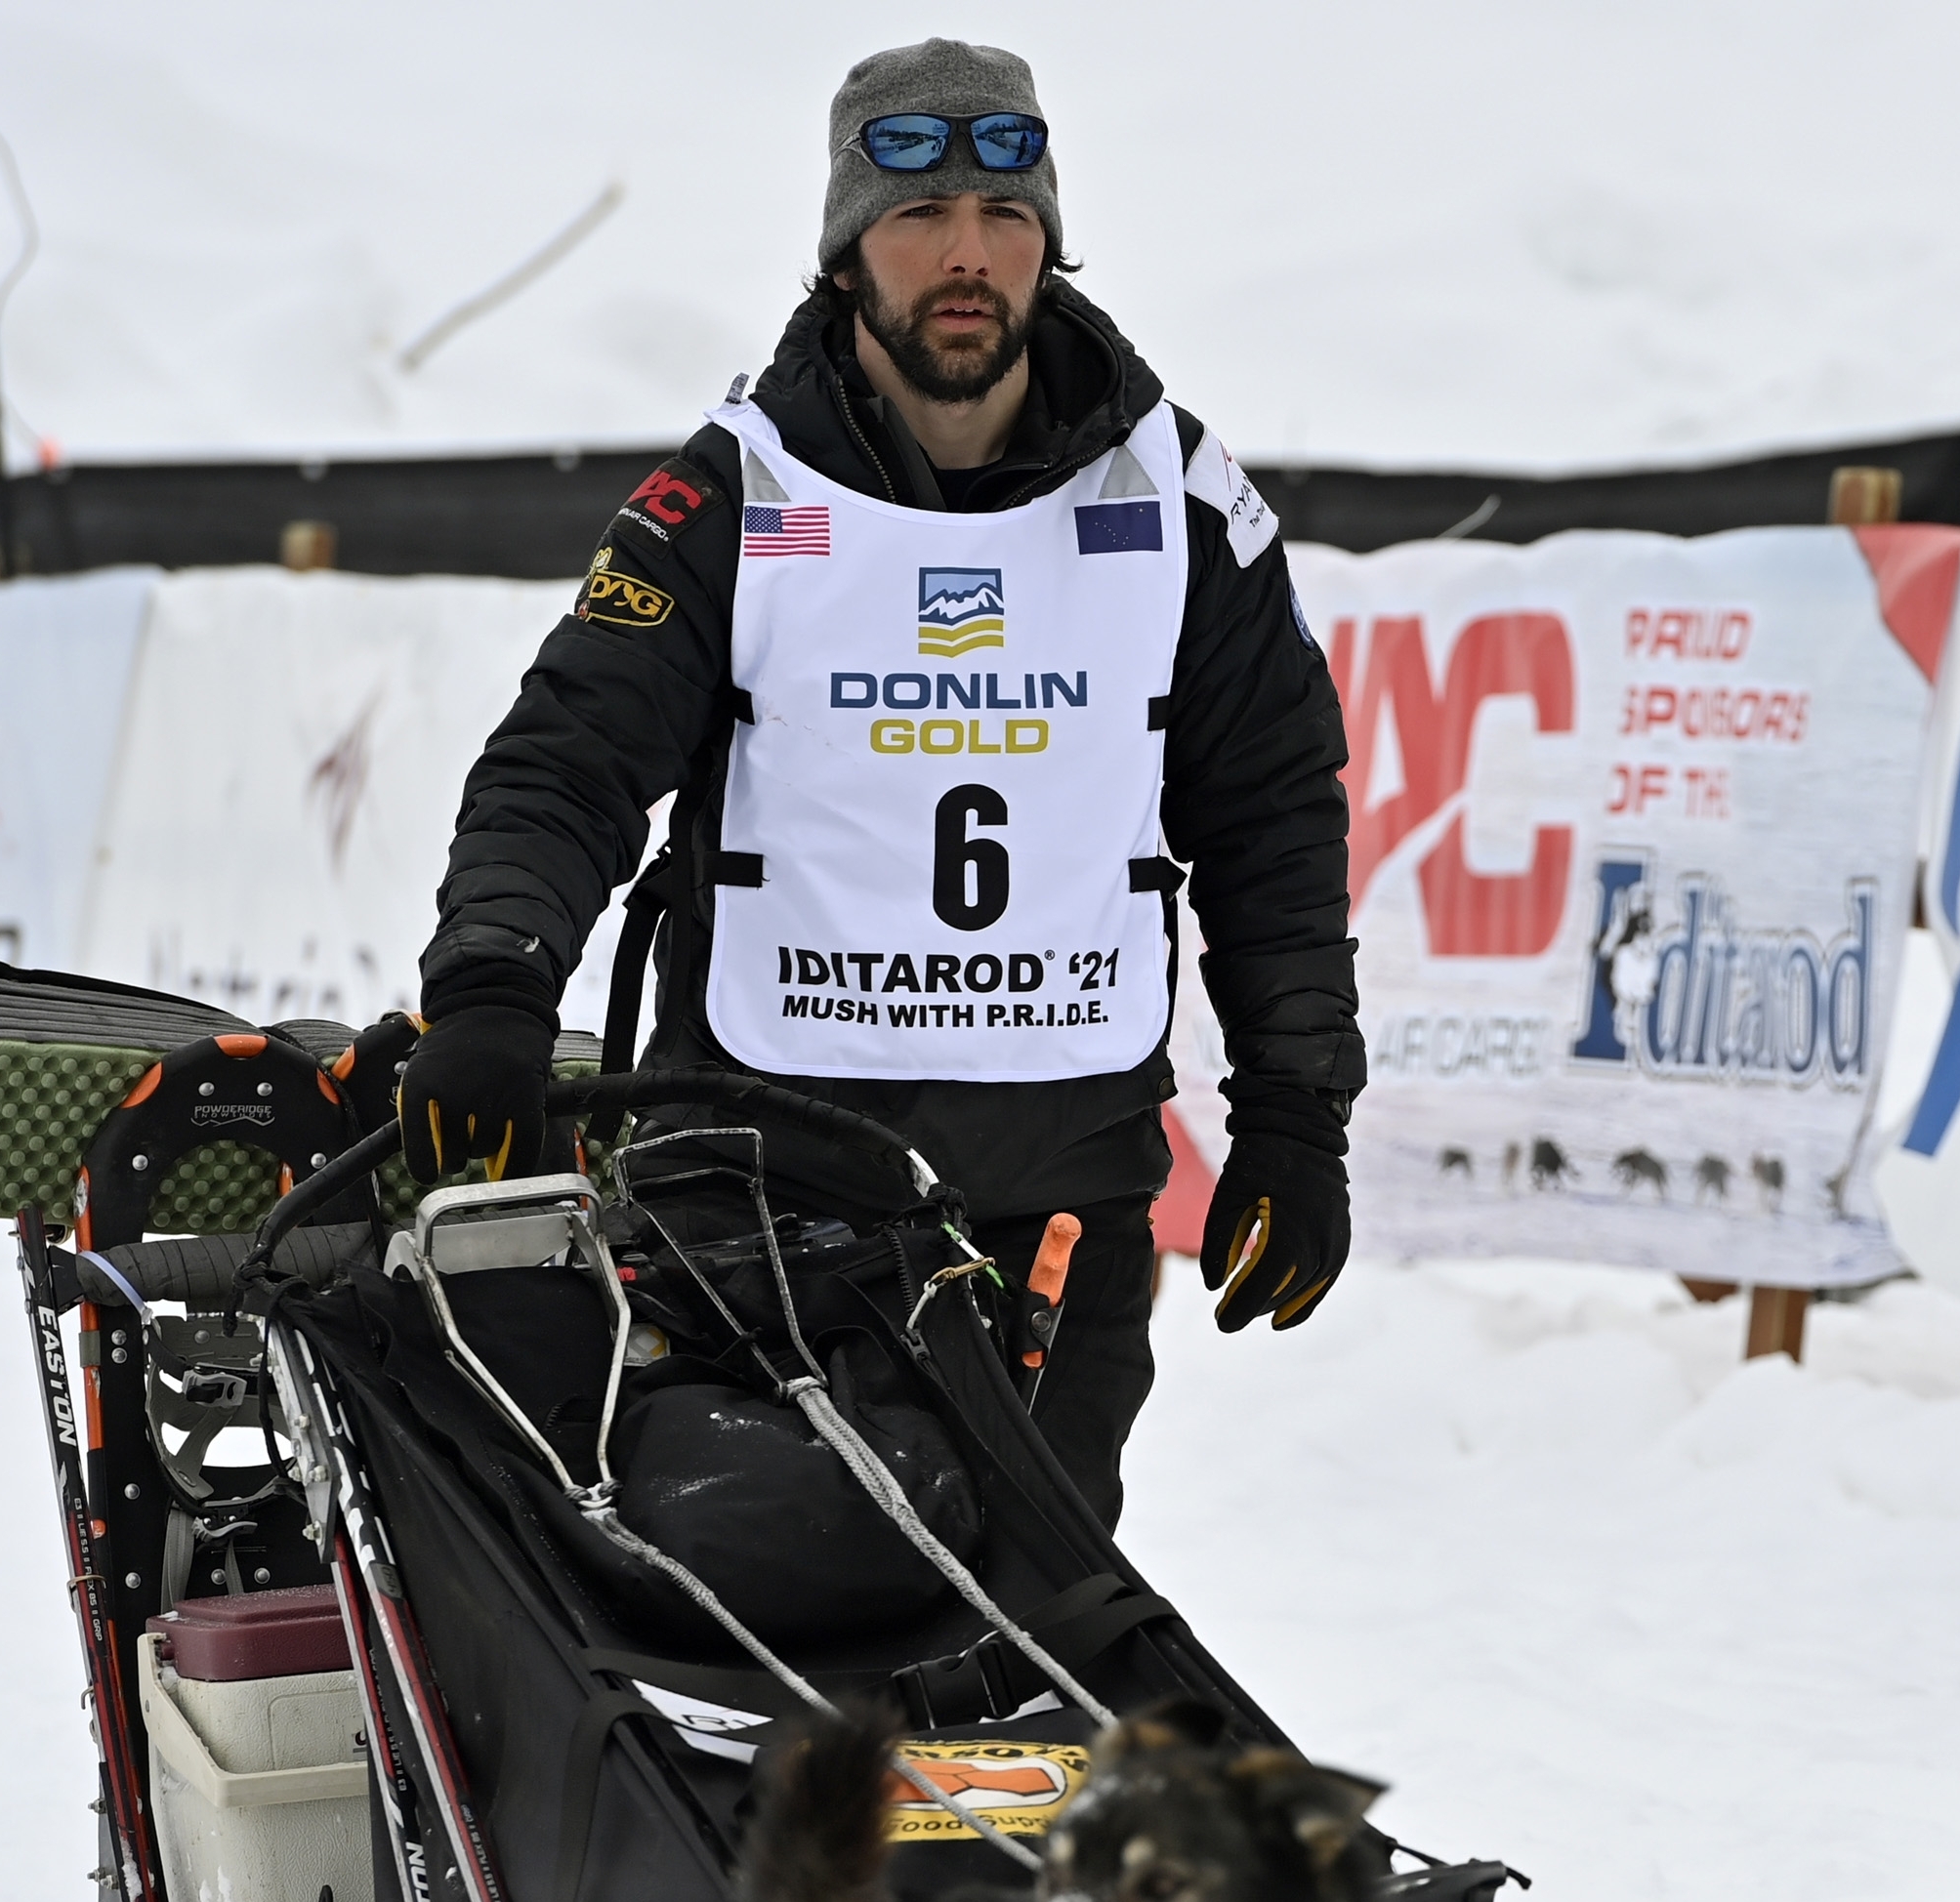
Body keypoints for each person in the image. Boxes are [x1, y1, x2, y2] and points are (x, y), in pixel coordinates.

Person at [395, 36, 1360, 1530]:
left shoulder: (1174, 495)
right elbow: (566, 761)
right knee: (771, 1643)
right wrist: (494, 990)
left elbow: (1274, 815)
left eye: (1007, 218)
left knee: (1012, 1688)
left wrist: (1296, 1115)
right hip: (762, 1194)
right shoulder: (736, 487)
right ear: (849, 251)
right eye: (920, 219)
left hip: (1058, 1204)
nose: (966, 257)